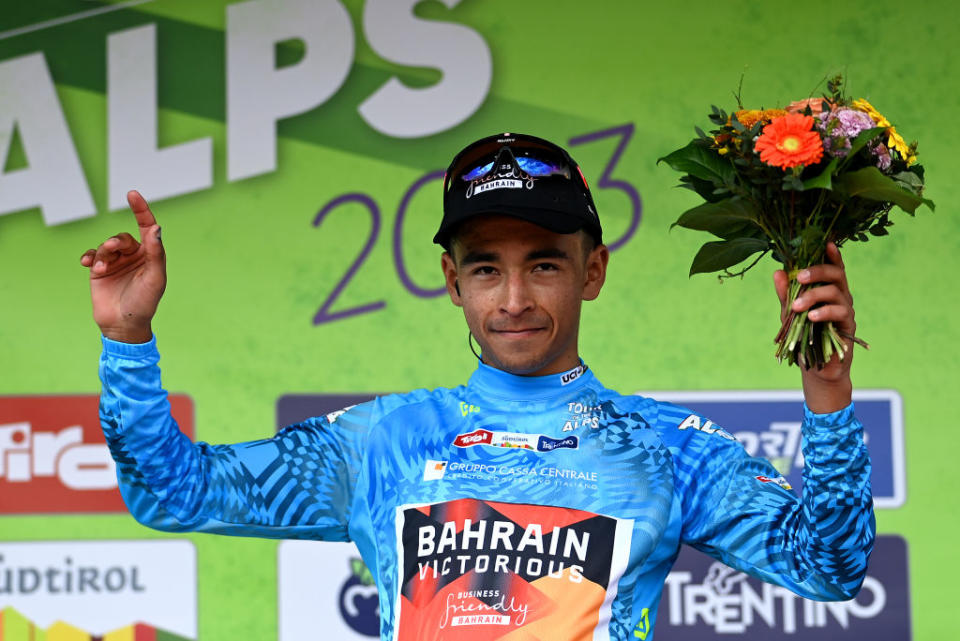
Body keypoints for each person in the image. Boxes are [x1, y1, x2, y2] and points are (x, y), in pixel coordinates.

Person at [82, 133, 874, 640]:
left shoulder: (665, 448)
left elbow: (828, 564)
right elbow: (173, 492)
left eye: (545, 263)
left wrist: (828, 390)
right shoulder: (382, 442)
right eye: (487, 268)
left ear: (592, 271)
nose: (515, 299)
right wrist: (126, 342)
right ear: (451, 281)